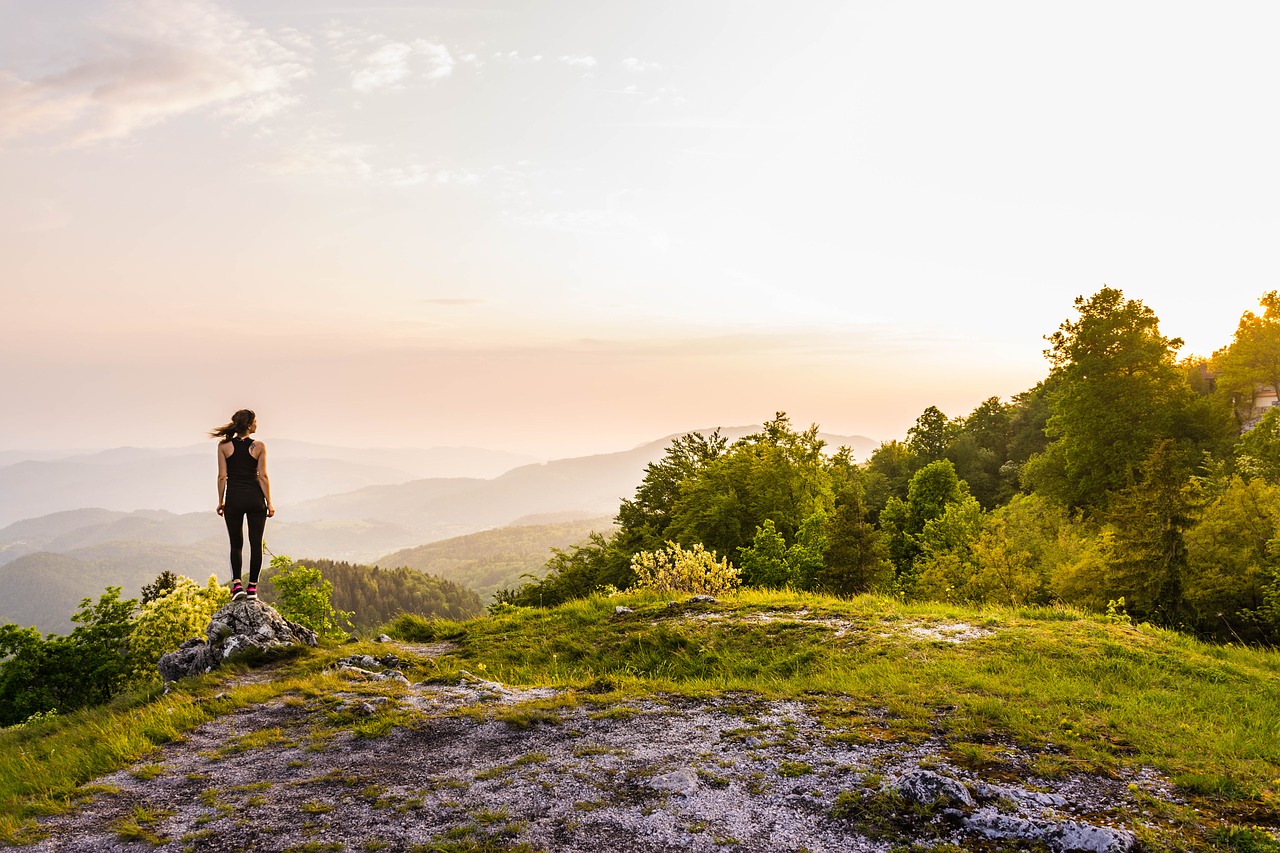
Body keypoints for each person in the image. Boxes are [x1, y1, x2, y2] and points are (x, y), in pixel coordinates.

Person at [210, 409, 275, 601]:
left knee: (236, 544)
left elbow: (222, 476)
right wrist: (269, 502)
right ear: (248, 425)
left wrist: (220, 501)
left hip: (234, 500)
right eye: (255, 421)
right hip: (255, 500)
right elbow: (262, 476)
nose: (257, 425)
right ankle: (252, 589)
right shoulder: (259, 446)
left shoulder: (224, 446)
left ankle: (237, 586)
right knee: (256, 544)